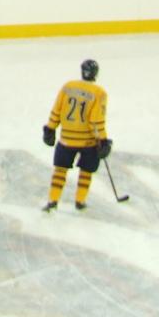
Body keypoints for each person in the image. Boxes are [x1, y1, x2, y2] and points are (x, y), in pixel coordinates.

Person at [42, 58, 110, 212]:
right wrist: (103, 140)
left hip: (66, 139)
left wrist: (50, 128)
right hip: (88, 142)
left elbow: (56, 110)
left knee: (60, 170)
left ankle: (53, 200)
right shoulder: (99, 93)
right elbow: (96, 121)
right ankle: (80, 201)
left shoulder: (68, 87)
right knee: (86, 171)